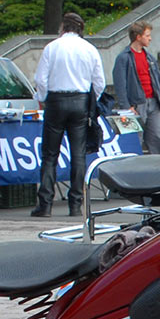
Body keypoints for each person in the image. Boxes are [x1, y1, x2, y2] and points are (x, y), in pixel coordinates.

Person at [31, 11, 104, 218]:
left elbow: (41, 79)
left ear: (64, 27)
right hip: (80, 101)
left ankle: (45, 204)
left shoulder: (52, 48)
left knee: (50, 154)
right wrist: (90, 101)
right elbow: (98, 82)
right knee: (78, 154)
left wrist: (44, 98)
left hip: (56, 100)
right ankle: (75, 204)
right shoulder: (89, 49)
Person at [112, 20, 160, 156]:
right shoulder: (123, 58)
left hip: (153, 103)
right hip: (135, 105)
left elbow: (158, 82)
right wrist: (126, 106)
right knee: (134, 140)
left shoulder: (150, 58)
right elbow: (120, 84)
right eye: (147, 35)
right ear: (138, 37)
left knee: (157, 137)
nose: (150, 38)